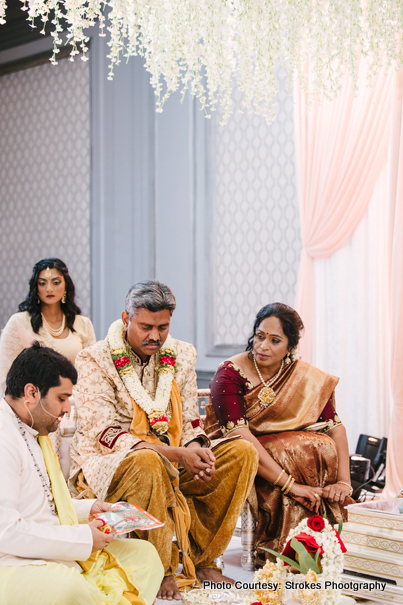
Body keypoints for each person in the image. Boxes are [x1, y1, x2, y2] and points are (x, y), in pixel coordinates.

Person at [69, 280, 259, 600]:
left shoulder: (181, 354)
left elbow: (188, 420)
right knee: (148, 460)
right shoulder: (95, 359)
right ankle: (160, 568)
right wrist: (175, 454)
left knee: (242, 452)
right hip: (107, 461)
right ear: (126, 319)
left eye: (163, 327)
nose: (155, 336)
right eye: (146, 326)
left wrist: (196, 449)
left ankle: (200, 559)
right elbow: (105, 432)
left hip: (171, 455)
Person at [0, 342, 163, 605]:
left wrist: (90, 508)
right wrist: (82, 537)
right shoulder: (4, 439)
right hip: (12, 562)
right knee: (70, 590)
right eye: (62, 398)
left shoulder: (33, 429)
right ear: (31, 392)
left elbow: (45, 503)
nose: (67, 409)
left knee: (145, 557)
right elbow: (5, 532)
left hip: (54, 543)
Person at [206, 302, 353, 565]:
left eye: (275, 340)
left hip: (288, 457)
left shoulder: (302, 376)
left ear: (290, 346)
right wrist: (292, 486)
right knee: (287, 450)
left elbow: (335, 427)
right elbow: (238, 435)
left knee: (319, 445)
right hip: (240, 452)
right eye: (260, 336)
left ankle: (321, 542)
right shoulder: (230, 373)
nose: (262, 346)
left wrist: (344, 482)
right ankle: (286, 550)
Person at [0, 257, 96, 391]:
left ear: (66, 285)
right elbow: (5, 374)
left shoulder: (83, 323)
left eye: (56, 282)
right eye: (42, 283)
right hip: (33, 403)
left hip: (77, 401)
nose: (49, 289)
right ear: (35, 287)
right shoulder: (19, 322)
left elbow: (92, 372)